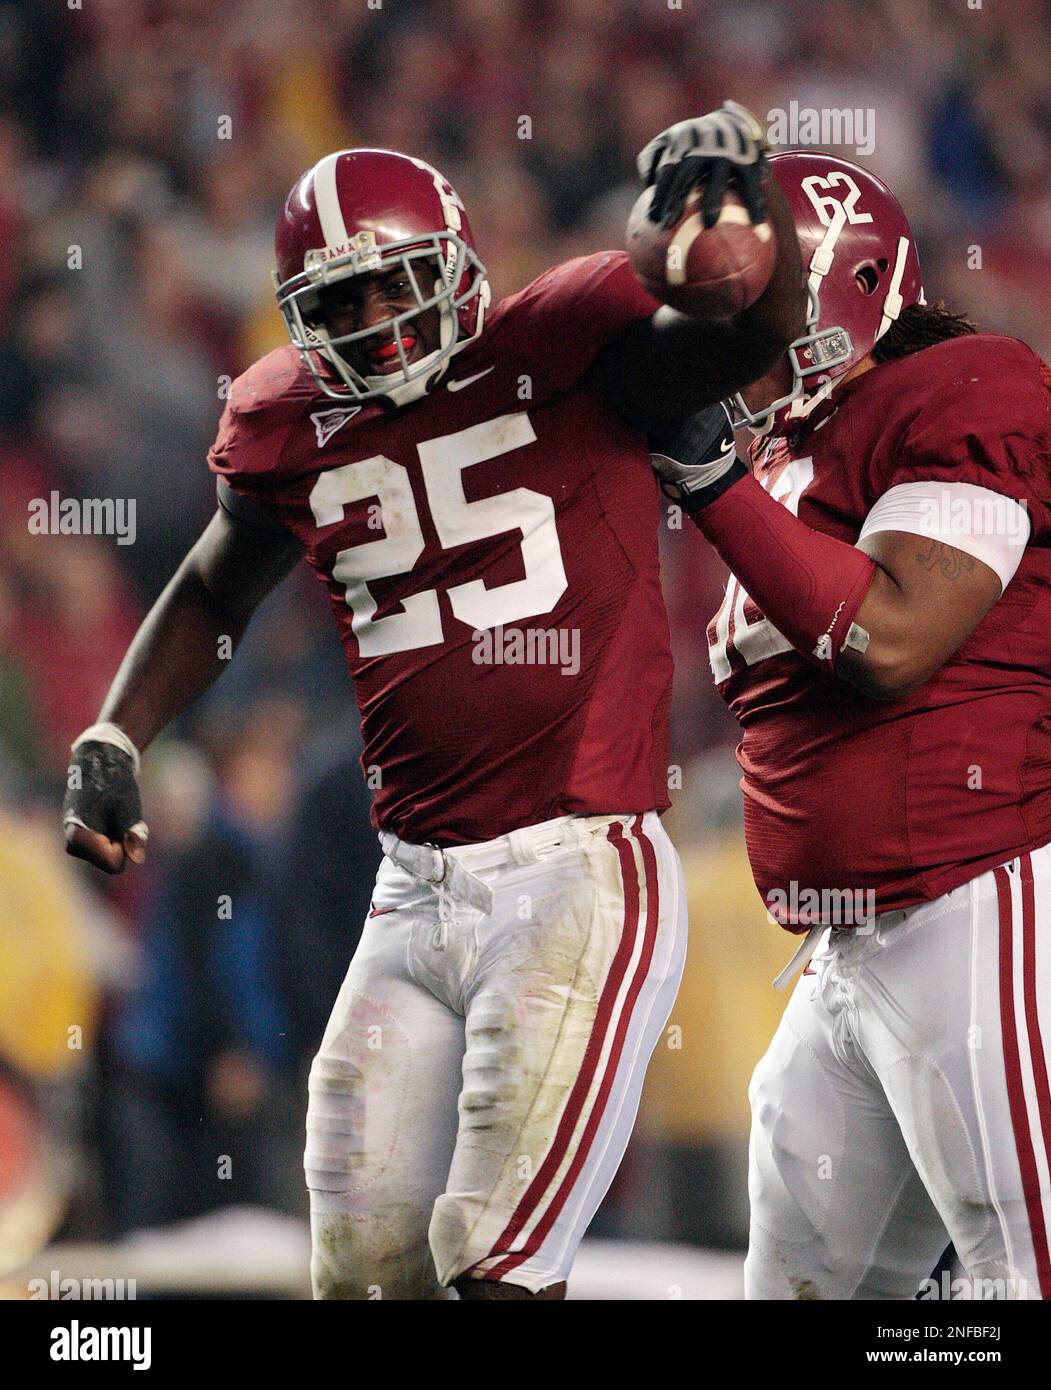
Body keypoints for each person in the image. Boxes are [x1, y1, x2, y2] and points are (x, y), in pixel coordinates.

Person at [62, 105, 806, 1300]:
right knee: (363, 1272)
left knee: (490, 1259)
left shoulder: (565, 341)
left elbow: (737, 332)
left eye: (393, 285)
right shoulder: (283, 419)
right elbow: (214, 583)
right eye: (339, 304)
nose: (372, 321)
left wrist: (745, 208)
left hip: (575, 865)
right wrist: (114, 729)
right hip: (406, 889)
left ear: (460, 266)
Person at [653, 151, 1051, 1299]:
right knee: (804, 1283)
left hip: (976, 897)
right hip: (844, 944)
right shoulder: (785, 451)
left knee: (1017, 1269)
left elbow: (892, 639)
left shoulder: (967, 386)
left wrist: (707, 479)